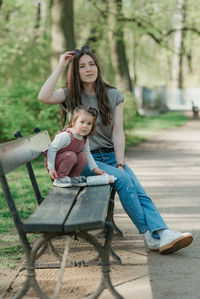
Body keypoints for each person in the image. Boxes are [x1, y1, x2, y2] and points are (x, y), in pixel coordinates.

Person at [38, 46, 193, 254]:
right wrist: (60, 66)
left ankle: (162, 232)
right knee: (124, 180)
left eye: (91, 64)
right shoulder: (70, 95)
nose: (88, 69)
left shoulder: (113, 95)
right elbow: (43, 96)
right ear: (76, 72)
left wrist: (120, 162)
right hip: (84, 160)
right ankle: (150, 236)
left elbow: (118, 133)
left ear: (97, 67)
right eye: (82, 66)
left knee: (139, 191)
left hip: (110, 156)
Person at [45, 105, 105, 187]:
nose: (85, 126)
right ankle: (60, 178)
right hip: (56, 165)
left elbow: (87, 153)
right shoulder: (66, 136)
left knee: (83, 155)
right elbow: (52, 149)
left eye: (89, 123)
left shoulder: (84, 138)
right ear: (73, 122)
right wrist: (51, 168)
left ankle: (73, 177)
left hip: (69, 161)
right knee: (72, 155)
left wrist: (95, 168)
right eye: (82, 122)